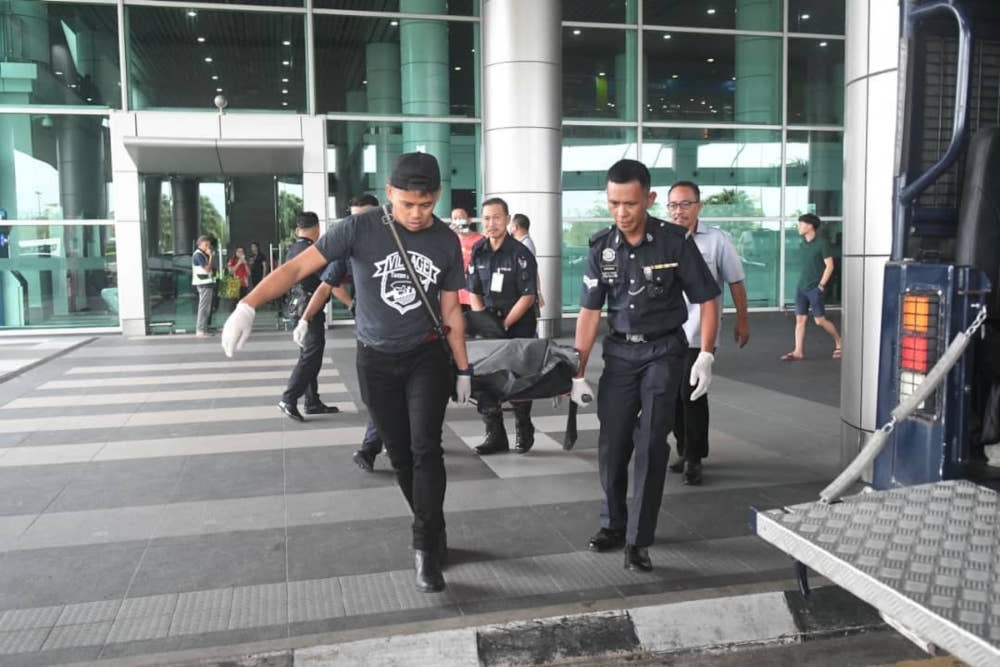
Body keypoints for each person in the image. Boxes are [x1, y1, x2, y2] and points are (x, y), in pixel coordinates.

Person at [221, 152, 471, 593]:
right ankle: (431, 524)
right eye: (408, 204)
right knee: (399, 455)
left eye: (426, 205)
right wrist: (247, 304)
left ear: (436, 198)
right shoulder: (359, 228)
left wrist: (464, 367)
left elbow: (451, 306)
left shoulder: (446, 241)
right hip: (375, 359)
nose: (416, 214)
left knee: (426, 449)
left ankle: (424, 548)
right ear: (390, 193)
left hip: (426, 356)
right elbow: (300, 267)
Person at [571, 159, 720, 573]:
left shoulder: (674, 242)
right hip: (619, 354)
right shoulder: (601, 247)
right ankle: (613, 523)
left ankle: (638, 539)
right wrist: (577, 371)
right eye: (614, 203)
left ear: (649, 199)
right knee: (612, 445)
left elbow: (708, 298)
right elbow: (588, 313)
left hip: (662, 352)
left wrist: (706, 353)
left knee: (652, 444)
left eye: (630, 203)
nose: (622, 212)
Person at [665, 180, 750, 486]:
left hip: (702, 332)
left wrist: (743, 320)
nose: (679, 211)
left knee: (693, 395)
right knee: (672, 396)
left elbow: (735, 282)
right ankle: (682, 447)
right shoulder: (661, 239)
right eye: (673, 205)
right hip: (668, 334)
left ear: (699, 206)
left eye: (686, 204)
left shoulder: (717, 240)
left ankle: (695, 458)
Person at [299, 193, 385, 473]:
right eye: (354, 218)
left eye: (366, 216)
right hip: (371, 332)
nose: (359, 223)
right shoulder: (349, 246)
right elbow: (325, 286)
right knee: (378, 392)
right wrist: (305, 318)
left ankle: (419, 439)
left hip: (413, 332)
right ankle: (372, 447)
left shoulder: (400, 241)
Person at [467, 197, 538, 455]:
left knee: (517, 378)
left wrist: (504, 325)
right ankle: (495, 434)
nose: (491, 223)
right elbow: (473, 290)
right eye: (486, 218)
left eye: (497, 217)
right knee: (484, 379)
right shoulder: (478, 250)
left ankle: (523, 427)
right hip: (488, 327)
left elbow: (528, 295)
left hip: (517, 324)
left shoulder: (520, 253)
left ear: (507, 220)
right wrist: (484, 323)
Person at [277, 212, 341, 422]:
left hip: (297, 308)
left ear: (297, 230)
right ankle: (289, 398)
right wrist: (350, 303)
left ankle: (312, 401)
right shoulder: (313, 251)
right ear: (317, 230)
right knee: (311, 356)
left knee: (307, 354)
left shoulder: (291, 251)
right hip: (309, 310)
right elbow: (329, 282)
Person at [781, 212, 843, 361]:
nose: (799, 227)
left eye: (801, 224)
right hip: (802, 287)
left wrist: (821, 285)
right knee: (800, 320)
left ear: (810, 226)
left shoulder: (822, 243)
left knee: (819, 320)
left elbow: (830, 266)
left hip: (815, 288)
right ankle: (798, 351)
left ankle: (839, 342)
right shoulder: (802, 245)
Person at [452, 207, 482, 311]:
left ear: (469, 220)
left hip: (474, 292)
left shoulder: (480, 240)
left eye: (461, 218)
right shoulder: (450, 239)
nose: (458, 221)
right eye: (455, 218)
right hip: (455, 293)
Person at [191, 235, 216, 338]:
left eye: (209, 245)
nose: (208, 247)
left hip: (206, 283)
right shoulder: (198, 255)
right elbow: (207, 269)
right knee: (203, 307)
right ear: (200, 243)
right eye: (206, 245)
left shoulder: (201, 254)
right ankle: (200, 330)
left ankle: (203, 329)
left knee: (206, 308)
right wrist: (211, 257)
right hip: (203, 283)